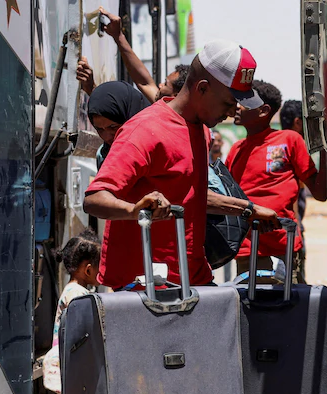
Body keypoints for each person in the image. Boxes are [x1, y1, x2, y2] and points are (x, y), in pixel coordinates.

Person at [84, 41, 279, 291]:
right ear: (203, 88)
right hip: (146, 289)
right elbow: (94, 198)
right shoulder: (145, 130)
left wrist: (247, 209)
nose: (232, 113)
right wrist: (136, 210)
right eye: (229, 103)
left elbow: (189, 196)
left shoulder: (202, 131)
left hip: (192, 279)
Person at [226, 81, 327, 283]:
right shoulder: (235, 150)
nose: (237, 106)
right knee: (252, 310)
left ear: (264, 111)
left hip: (285, 247)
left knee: (289, 309)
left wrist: (326, 148)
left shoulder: (289, 140)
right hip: (248, 249)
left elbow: (320, 193)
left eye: (245, 102)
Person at [43, 230, 102, 394]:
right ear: (87, 269)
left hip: (68, 366)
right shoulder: (77, 295)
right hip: (72, 367)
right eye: (99, 267)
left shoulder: (72, 290)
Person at [76, 8, 188, 103]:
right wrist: (118, 36)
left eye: (165, 84)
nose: (159, 85)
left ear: (176, 96)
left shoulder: (168, 124)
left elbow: (119, 118)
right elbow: (144, 82)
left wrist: (91, 88)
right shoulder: (166, 106)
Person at [87, 81, 152, 170]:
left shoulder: (154, 152)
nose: (107, 137)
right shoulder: (103, 154)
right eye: (99, 129)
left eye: (113, 127)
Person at [280, 99, 309, 281]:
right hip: (291, 232)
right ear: (298, 122)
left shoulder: (276, 143)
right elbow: (293, 196)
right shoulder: (294, 144)